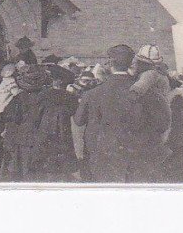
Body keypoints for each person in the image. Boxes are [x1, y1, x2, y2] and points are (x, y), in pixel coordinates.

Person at [73, 44, 136, 183]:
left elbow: (78, 121)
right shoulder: (144, 91)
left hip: (100, 153)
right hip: (134, 154)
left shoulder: (93, 93)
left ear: (110, 63)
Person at [126, 45, 172, 182]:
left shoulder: (149, 75)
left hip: (152, 120)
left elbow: (134, 93)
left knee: (146, 160)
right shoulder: (160, 74)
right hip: (162, 117)